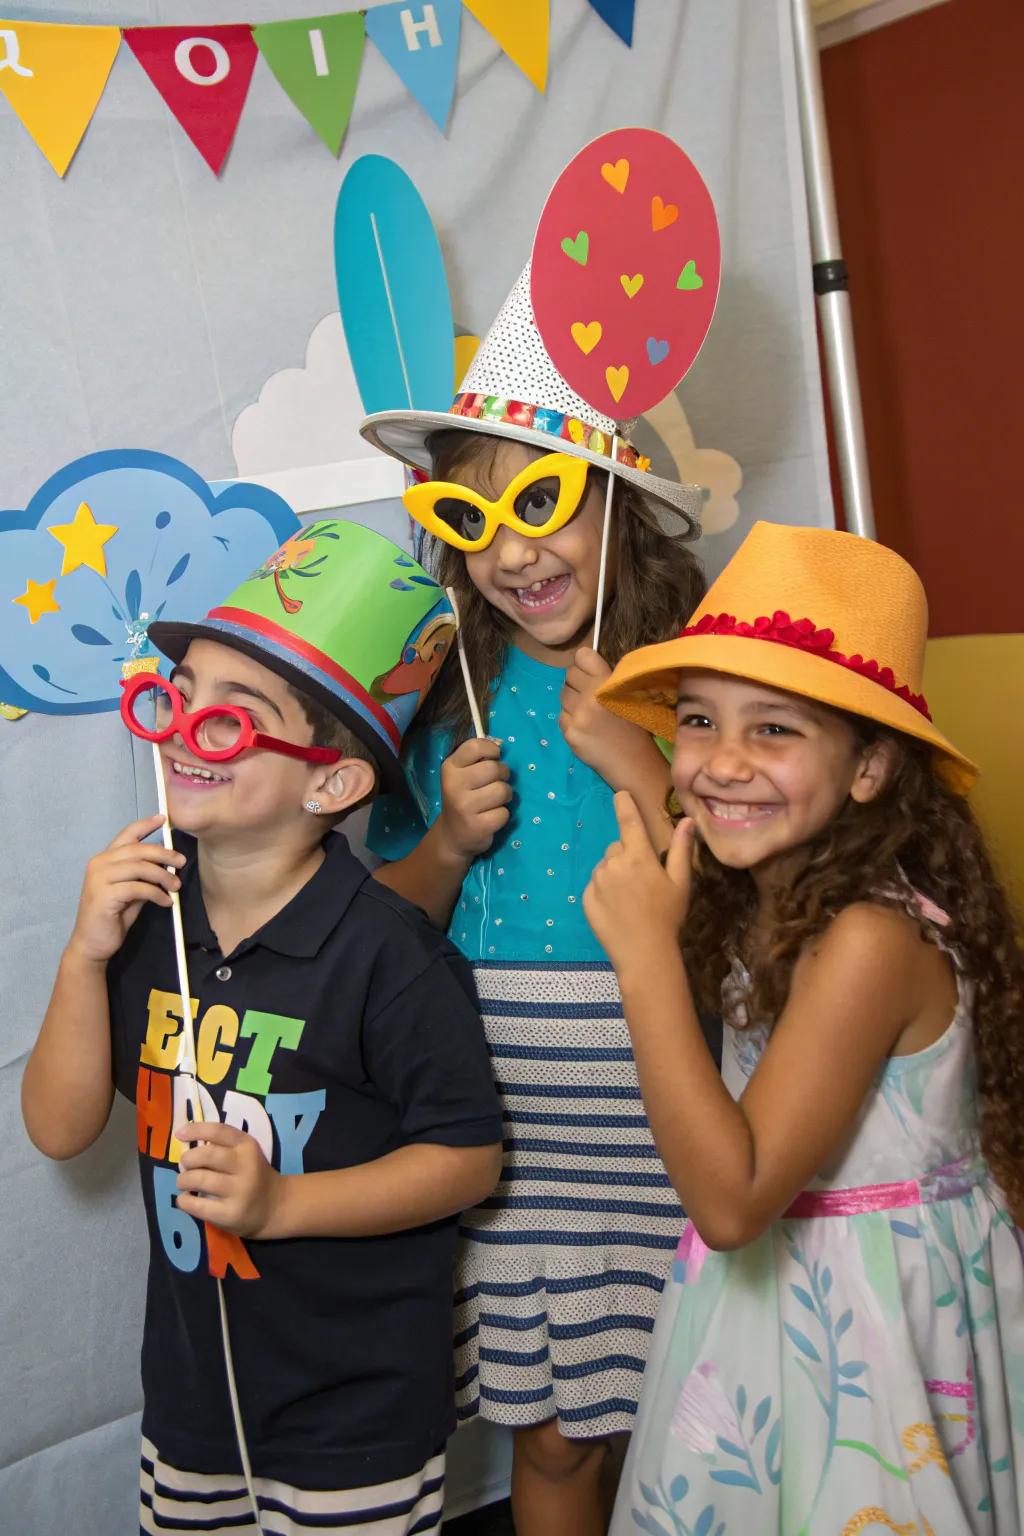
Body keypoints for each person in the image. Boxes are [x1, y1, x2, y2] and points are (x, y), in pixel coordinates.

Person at [21, 521, 503, 1536]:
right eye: (175, 699)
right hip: (196, 1399)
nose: (180, 732)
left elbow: (466, 1162)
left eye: (229, 722)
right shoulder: (151, 917)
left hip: (357, 1404)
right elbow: (60, 1131)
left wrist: (281, 1202)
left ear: (331, 784)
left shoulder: (389, 955)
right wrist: (82, 957)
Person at [582, 520, 1024, 1535]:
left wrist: (644, 962)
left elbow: (732, 1202)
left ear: (869, 769)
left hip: (869, 1332)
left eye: (773, 729)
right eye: (697, 720)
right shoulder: (774, 895)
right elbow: (715, 803)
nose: (721, 762)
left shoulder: (868, 937)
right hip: (772, 1314)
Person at [360, 267, 710, 1536]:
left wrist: (648, 769)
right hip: (510, 1128)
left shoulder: (702, 679)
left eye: (544, 509)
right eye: (473, 519)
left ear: (614, 499)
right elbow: (384, 918)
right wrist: (448, 841)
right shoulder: (441, 688)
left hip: (671, 1109)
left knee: (695, 1411)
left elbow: (772, 905)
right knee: (556, 1437)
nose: (512, 553)